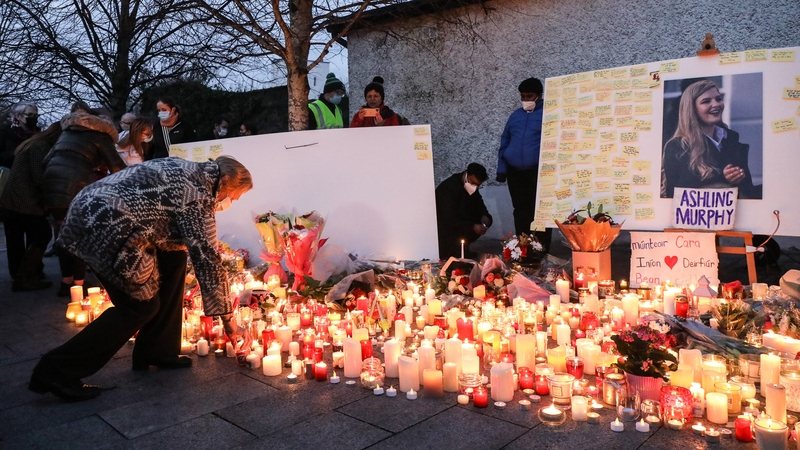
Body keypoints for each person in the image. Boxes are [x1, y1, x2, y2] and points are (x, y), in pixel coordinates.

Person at [29, 156, 254, 402]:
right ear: (223, 182)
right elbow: (208, 260)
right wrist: (230, 323)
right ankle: (56, 371)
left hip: (94, 209)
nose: (229, 202)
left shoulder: (191, 170)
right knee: (138, 306)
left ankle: (157, 351)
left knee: (174, 259)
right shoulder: (198, 195)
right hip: (104, 224)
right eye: (233, 196)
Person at [42, 110, 127, 296]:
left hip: (51, 182)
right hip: (77, 183)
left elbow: (46, 159)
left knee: (63, 234)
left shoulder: (68, 132)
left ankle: (66, 284)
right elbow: (117, 167)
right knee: (81, 235)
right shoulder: (101, 135)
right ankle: (78, 284)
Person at [661, 79, 758, 198]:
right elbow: (678, 194)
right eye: (706, 101)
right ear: (692, 109)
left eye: (718, 99)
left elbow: (748, 192)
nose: (716, 104)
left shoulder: (731, 141)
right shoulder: (677, 146)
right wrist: (722, 178)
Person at [0, 123, 62, 291]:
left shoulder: (33, 143)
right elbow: (38, 176)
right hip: (24, 200)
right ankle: (24, 277)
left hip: (12, 199)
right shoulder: (39, 147)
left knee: (15, 240)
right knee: (42, 233)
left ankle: (21, 275)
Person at [495, 77, 552, 251]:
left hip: (538, 173)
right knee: (520, 210)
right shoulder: (515, 116)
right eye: (523, 96)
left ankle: (540, 249)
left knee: (539, 212)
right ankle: (523, 247)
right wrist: (502, 169)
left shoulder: (548, 115)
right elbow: (505, 141)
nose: (526, 100)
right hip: (515, 172)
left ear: (539, 95)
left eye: (530, 96)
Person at [435, 163, 493, 260]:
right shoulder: (448, 188)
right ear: (467, 174)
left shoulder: (472, 188)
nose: (474, 187)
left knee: (485, 220)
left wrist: (484, 216)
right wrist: (472, 226)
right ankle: (454, 250)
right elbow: (448, 218)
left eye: (477, 185)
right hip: (447, 226)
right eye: (473, 183)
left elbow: (479, 204)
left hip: (462, 220)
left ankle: (463, 247)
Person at [0, 102, 41, 168]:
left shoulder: (39, 136)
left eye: (36, 115)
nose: (33, 118)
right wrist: (15, 153)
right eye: (29, 115)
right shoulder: (5, 132)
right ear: (18, 116)